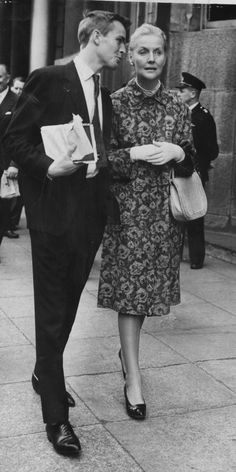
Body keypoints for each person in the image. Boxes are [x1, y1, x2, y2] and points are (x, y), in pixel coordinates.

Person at [4, 10, 129, 456]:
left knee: (68, 304)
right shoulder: (48, 78)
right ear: (95, 37)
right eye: (118, 39)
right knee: (51, 311)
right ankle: (56, 417)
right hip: (53, 215)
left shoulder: (106, 96)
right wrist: (46, 166)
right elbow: (14, 139)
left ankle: (43, 373)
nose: (122, 49)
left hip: (89, 218)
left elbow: (98, 153)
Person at [97, 24, 195, 420]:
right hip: (129, 214)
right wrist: (134, 154)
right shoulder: (115, 103)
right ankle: (133, 378)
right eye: (142, 52)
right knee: (130, 296)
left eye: (157, 52)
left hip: (166, 217)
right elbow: (102, 162)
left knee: (147, 297)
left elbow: (192, 160)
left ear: (165, 56)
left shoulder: (176, 105)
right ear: (131, 57)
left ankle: (129, 350)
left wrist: (177, 152)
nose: (151, 59)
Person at [177, 72, 219, 269]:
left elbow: (212, 150)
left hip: (195, 172)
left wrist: (199, 163)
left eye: (182, 90)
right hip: (177, 170)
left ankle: (196, 258)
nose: (179, 93)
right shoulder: (179, 113)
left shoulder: (203, 116)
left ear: (193, 93)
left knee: (194, 215)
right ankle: (174, 254)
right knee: (176, 212)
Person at [0, 64, 18, 256]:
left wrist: (14, 163)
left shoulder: (16, 102)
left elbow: (21, 135)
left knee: (2, 209)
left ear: (7, 78)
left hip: (4, 165)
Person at [5, 77, 26, 239]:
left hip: (10, 158)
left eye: (21, 89)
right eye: (16, 88)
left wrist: (14, 163)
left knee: (12, 196)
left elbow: (21, 135)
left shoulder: (20, 104)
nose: (19, 91)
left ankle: (9, 224)